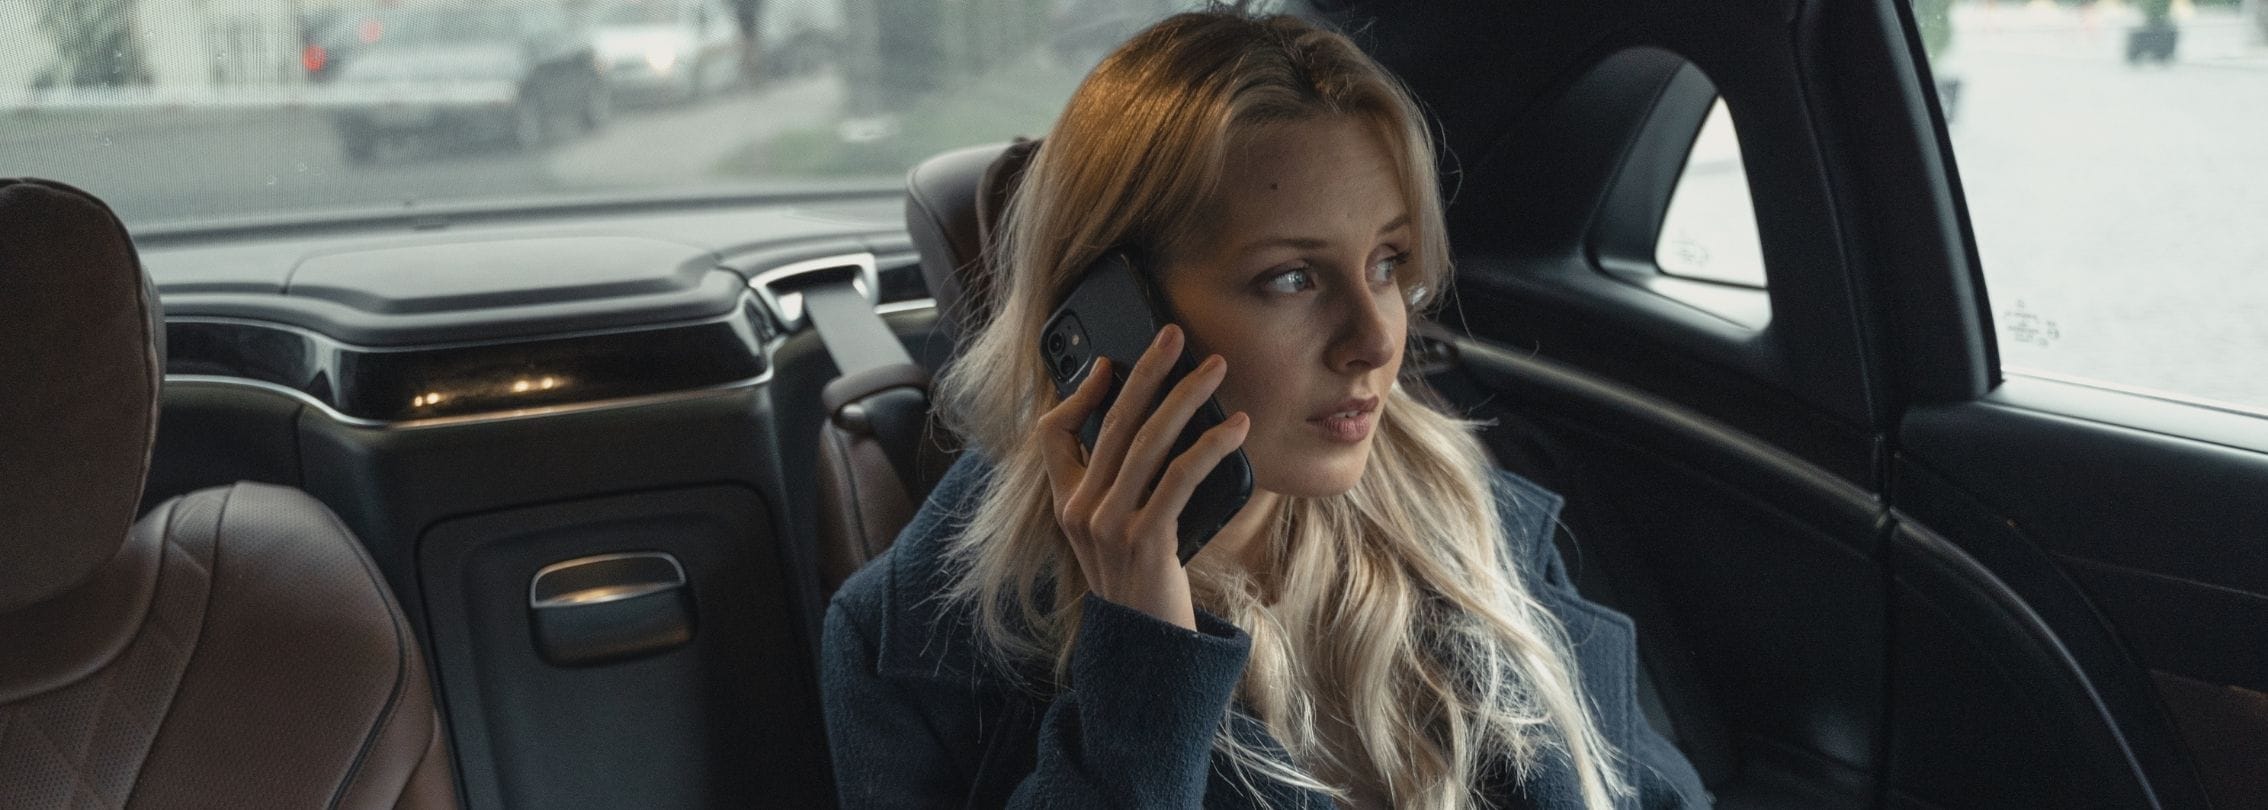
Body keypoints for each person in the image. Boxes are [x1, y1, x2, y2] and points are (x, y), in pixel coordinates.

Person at [821, 11, 1709, 809]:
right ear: (1110, 313)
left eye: (1388, 264)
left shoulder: (1470, 514)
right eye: (1291, 277)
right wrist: (1141, 654)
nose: (1375, 340)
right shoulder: (910, 650)